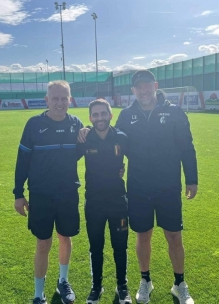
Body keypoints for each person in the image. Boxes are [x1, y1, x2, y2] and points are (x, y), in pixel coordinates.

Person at [78, 70, 198, 304]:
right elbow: (114, 139)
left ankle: (179, 283)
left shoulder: (174, 112)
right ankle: (145, 281)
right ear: (133, 91)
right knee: (143, 235)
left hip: (168, 186)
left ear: (155, 85)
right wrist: (85, 130)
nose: (143, 91)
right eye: (138, 87)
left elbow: (187, 147)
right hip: (139, 187)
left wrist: (191, 179)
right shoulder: (127, 115)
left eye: (147, 86)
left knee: (174, 235)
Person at [14, 80, 83, 304]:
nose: (60, 103)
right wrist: (18, 193)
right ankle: (38, 294)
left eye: (64, 98)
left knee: (65, 237)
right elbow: (22, 161)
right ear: (46, 100)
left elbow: (90, 152)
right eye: (55, 98)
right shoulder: (34, 124)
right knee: (43, 243)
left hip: (68, 193)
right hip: (41, 195)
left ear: (70, 100)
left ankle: (63, 281)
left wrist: (116, 165)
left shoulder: (77, 125)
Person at [77, 99, 132, 304]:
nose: (100, 118)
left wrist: (124, 167)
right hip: (94, 203)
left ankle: (122, 287)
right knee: (96, 247)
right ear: (91, 118)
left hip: (118, 202)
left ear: (110, 115)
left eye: (103, 114)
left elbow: (137, 160)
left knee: (120, 246)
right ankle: (96, 287)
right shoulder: (85, 138)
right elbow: (67, 159)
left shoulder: (122, 137)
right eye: (95, 115)